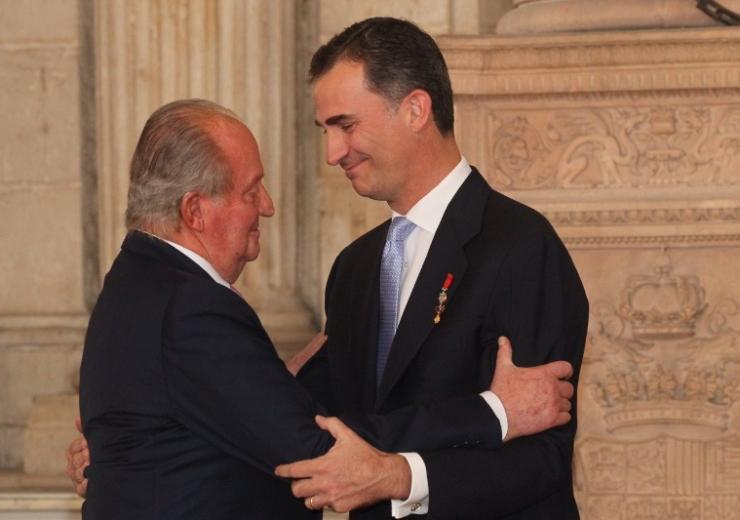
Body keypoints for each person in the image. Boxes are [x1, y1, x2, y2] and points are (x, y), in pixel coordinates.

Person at [75, 98, 576, 519]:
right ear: (194, 210)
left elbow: (233, 422)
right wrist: (497, 412)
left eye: (346, 124)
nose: (267, 205)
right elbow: (313, 446)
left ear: (416, 110)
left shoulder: (138, 282)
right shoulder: (189, 304)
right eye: (250, 190)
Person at [276, 17, 589, 519]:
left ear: (417, 109)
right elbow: (343, 426)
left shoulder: (520, 246)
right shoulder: (353, 268)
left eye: (346, 125)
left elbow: (541, 460)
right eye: (327, 130)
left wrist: (402, 477)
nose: (333, 153)